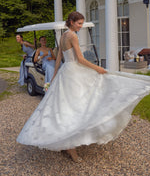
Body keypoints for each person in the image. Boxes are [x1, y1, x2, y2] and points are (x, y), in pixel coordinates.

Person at [17, 11, 150, 163]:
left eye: (81, 23)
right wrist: (96, 68)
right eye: (79, 23)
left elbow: (60, 56)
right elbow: (79, 59)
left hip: (65, 72)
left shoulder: (63, 36)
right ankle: (71, 147)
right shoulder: (72, 36)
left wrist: (54, 76)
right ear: (72, 22)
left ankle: (64, 140)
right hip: (73, 71)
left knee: (65, 107)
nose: (80, 26)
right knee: (78, 106)